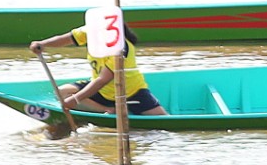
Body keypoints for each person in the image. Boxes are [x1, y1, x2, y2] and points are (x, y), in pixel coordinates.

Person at [29, 26, 166, 117]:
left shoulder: (121, 47)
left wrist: (76, 99)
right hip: (101, 92)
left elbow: (103, 79)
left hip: (130, 92)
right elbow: (67, 38)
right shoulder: (91, 30)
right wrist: (43, 44)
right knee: (61, 93)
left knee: (163, 120)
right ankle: (106, 110)